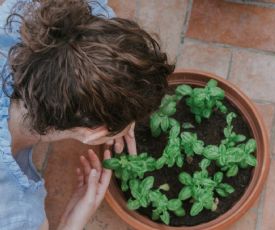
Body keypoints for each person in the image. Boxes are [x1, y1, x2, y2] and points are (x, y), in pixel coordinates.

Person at [0, 0, 173, 229]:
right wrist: (71, 223)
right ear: (93, 133)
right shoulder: (17, 213)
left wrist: (112, 90)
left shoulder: (22, 14)